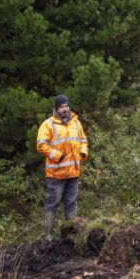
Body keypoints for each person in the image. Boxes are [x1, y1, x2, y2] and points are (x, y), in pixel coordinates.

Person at [36, 95, 89, 241]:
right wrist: (56, 155)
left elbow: (83, 140)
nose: (65, 109)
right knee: (52, 204)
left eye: (66, 106)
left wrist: (83, 153)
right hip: (56, 174)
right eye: (61, 106)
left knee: (71, 203)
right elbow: (41, 145)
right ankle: (48, 236)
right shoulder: (48, 125)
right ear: (56, 109)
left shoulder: (76, 123)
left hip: (73, 172)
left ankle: (71, 235)